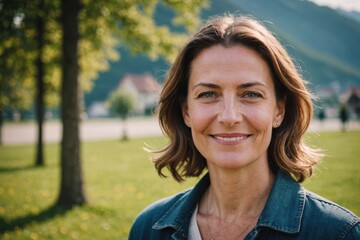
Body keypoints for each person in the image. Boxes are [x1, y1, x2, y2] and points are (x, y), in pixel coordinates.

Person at [129, 15, 360, 240]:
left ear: (278, 111)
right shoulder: (148, 229)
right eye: (208, 94)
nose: (229, 117)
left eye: (251, 94)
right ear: (186, 111)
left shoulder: (339, 233)